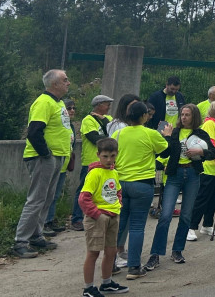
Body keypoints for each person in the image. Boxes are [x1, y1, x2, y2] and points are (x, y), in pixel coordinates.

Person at [147, 104, 215, 267]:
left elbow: (213, 153)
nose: (184, 117)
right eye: (182, 114)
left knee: (186, 215)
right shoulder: (174, 132)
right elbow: (163, 152)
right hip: (174, 175)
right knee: (165, 216)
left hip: (192, 174)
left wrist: (200, 152)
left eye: (187, 115)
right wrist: (168, 137)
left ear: (194, 117)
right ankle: (155, 254)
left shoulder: (201, 133)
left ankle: (177, 250)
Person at [13, 69, 72, 259]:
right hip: (43, 158)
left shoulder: (59, 102)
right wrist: (46, 154)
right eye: (64, 80)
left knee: (47, 198)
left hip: (57, 157)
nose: (68, 83)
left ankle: (36, 235)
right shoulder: (43, 102)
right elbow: (34, 131)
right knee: (36, 199)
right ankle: (20, 241)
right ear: (54, 84)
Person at [112, 99, 171, 280]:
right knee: (137, 226)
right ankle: (134, 267)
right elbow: (165, 150)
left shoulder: (119, 134)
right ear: (145, 116)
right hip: (142, 184)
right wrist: (167, 136)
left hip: (121, 183)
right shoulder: (150, 133)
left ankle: (111, 263)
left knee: (120, 225)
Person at [77, 137, 127, 297]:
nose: (109, 159)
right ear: (98, 155)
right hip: (97, 218)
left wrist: (118, 204)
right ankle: (88, 288)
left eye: (112, 156)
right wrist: (97, 215)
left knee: (111, 251)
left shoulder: (114, 172)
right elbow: (83, 198)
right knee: (93, 253)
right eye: (105, 156)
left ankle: (107, 283)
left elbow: (117, 191)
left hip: (113, 216)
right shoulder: (94, 173)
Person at [71, 95, 114, 231]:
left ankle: (102, 216)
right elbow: (96, 139)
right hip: (91, 162)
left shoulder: (109, 119)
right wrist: (110, 138)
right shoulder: (88, 120)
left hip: (108, 162)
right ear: (99, 105)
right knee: (85, 190)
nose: (109, 107)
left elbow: (116, 132)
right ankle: (76, 219)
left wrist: (104, 120)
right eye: (107, 104)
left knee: (106, 190)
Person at [188, 101, 215, 240]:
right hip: (209, 168)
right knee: (202, 198)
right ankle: (191, 226)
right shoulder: (209, 125)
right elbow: (211, 146)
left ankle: (207, 224)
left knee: (214, 199)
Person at [44, 98, 77, 235]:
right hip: (53, 162)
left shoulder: (71, 126)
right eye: (69, 108)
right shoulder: (58, 125)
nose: (72, 111)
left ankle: (50, 220)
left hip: (63, 165)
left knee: (55, 195)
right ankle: (44, 223)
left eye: (73, 108)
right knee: (47, 195)